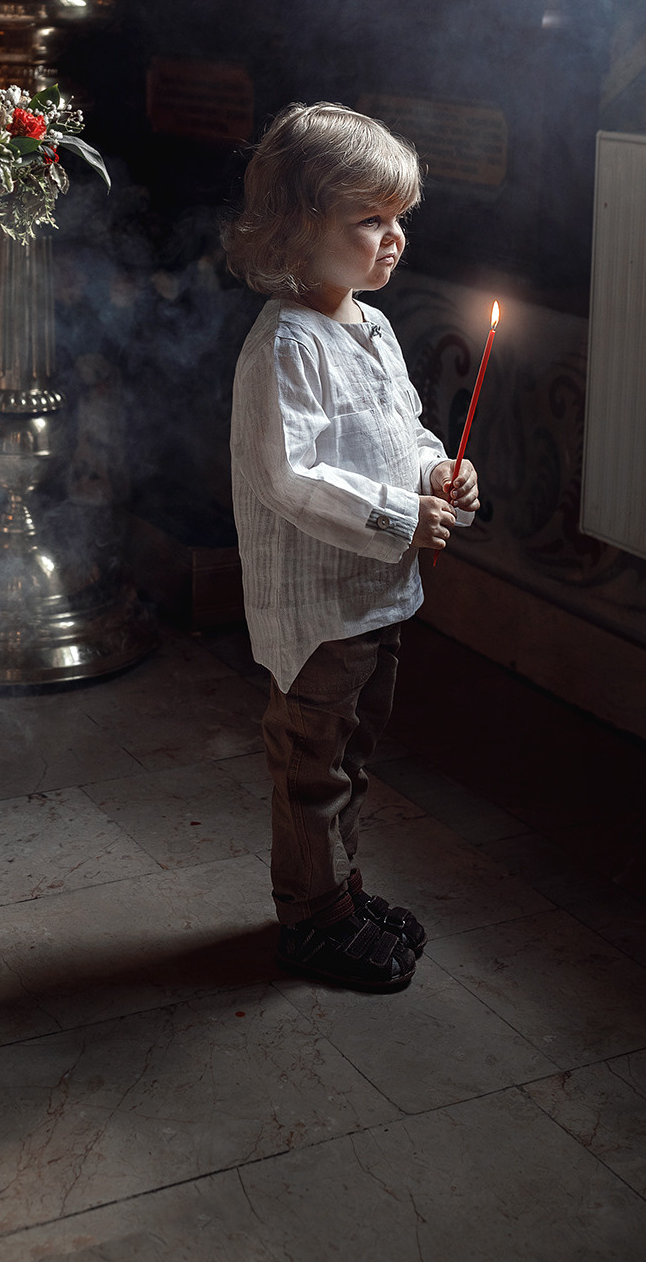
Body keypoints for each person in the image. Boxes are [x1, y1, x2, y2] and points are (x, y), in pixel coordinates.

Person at [224, 102, 480, 993]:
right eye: (368, 220)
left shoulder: (370, 328)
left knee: (351, 758)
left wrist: (439, 471)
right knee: (312, 768)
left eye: (398, 218)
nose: (393, 238)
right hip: (321, 611)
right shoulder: (286, 346)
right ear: (295, 228)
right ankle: (309, 920)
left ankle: (340, 891)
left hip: (378, 599)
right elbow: (290, 477)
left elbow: (398, 432)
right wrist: (403, 516)